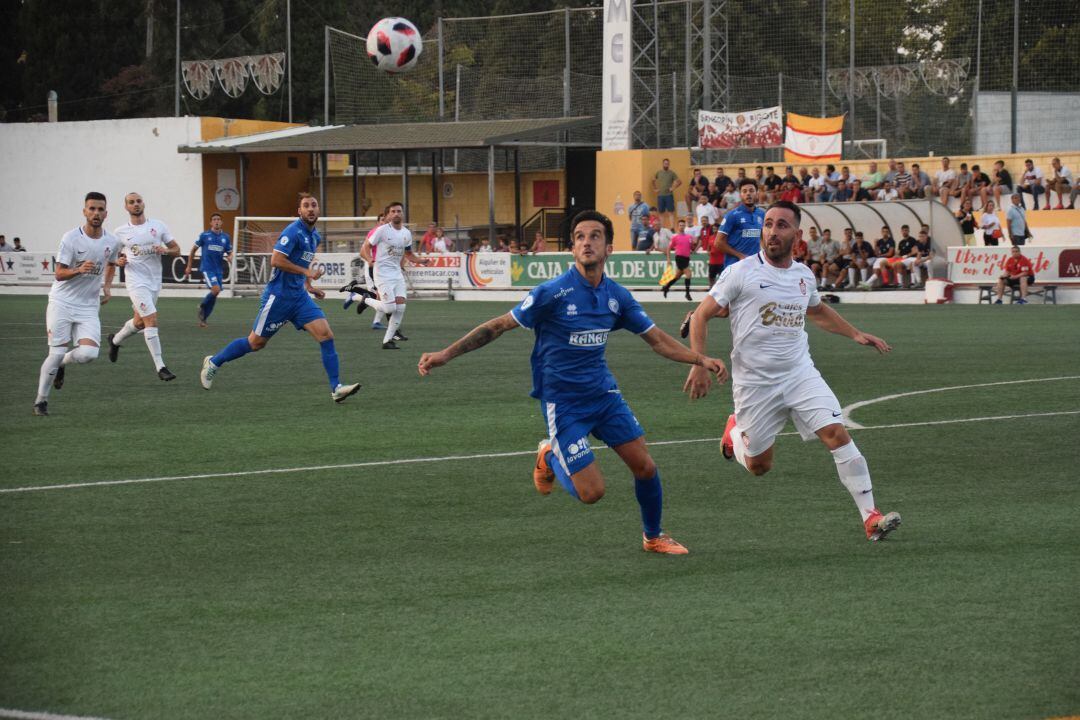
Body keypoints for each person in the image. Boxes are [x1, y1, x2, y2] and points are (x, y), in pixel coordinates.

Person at [418, 210, 727, 554]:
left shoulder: (617, 297)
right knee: (592, 493)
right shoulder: (553, 292)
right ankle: (549, 455)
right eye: (580, 237)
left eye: (595, 236)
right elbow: (498, 325)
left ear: (609, 247)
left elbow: (657, 340)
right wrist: (446, 354)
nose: (586, 242)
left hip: (604, 396)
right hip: (564, 403)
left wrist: (700, 359)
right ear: (572, 248)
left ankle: (653, 537)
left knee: (645, 466)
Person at [683, 200, 900, 542]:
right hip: (755, 383)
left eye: (781, 225)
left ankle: (870, 516)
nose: (772, 231)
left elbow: (816, 310)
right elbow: (700, 315)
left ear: (797, 235)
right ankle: (734, 432)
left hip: (800, 373)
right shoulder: (740, 273)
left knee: (837, 434)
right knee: (759, 466)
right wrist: (699, 363)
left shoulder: (803, 275)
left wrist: (855, 333)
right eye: (768, 224)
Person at [199, 193, 360, 402]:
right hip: (278, 297)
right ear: (299, 211)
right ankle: (214, 363)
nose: (310, 209)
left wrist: (309, 286)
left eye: (314, 205)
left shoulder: (314, 236)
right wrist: (306, 274)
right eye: (306, 206)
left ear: (318, 210)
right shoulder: (292, 232)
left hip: (299, 298)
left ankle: (336, 388)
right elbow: (276, 260)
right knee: (255, 343)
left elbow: (303, 263)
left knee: (326, 335)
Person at [32, 192, 120, 416]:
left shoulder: (112, 241)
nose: (96, 213)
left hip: (89, 305)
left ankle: (63, 363)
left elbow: (111, 264)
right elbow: (59, 274)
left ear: (106, 213)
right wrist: (79, 269)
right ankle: (41, 400)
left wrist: (107, 286)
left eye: (100, 209)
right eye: (92, 209)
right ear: (84, 211)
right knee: (55, 352)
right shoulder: (71, 238)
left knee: (89, 354)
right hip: (62, 302)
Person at [107, 192, 180, 381]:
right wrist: (119, 261)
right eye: (131, 202)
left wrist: (166, 250)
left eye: (138, 201)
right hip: (135, 281)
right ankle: (160, 367)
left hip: (154, 281)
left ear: (143, 204)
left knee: (139, 322)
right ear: (126, 207)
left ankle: (114, 341)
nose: (136, 204)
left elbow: (176, 249)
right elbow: (111, 258)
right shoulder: (120, 232)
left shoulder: (158, 226)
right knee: (151, 319)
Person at [357, 201, 431, 349]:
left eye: (399, 211)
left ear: (403, 214)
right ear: (388, 215)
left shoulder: (406, 233)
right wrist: (369, 259)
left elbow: (409, 254)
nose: (396, 213)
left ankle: (387, 341)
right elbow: (364, 248)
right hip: (382, 274)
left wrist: (421, 261)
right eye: (393, 211)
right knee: (390, 309)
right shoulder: (382, 230)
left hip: (396, 274)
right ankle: (366, 300)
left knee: (400, 307)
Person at [184, 212, 233, 327]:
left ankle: (203, 319)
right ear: (211, 222)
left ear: (221, 222)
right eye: (214, 219)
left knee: (215, 294)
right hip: (207, 268)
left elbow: (229, 253)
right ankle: (202, 305)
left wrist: (231, 258)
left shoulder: (225, 237)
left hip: (218, 270)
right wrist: (189, 266)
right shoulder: (205, 236)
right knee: (215, 290)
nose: (216, 221)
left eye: (218, 219)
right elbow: (192, 251)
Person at [661, 218, 697, 301]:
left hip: (686, 258)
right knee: (688, 274)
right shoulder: (675, 237)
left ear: (685, 226)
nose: (682, 227)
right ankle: (687, 293)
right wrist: (668, 259)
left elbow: (691, 247)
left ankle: (666, 287)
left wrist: (694, 245)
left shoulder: (689, 237)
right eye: (680, 225)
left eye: (683, 225)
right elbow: (668, 248)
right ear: (678, 227)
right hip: (679, 258)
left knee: (677, 276)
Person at [652, 158, 681, 229]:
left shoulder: (672, 173)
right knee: (661, 213)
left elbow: (679, 182)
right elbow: (653, 180)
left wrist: (673, 188)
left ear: (669, 164)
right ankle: (661, 228)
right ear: (662, 164)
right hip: (660, 196)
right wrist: (655, 189)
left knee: (670, 212)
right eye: (665, 163)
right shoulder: (658, 172)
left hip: (669, 196)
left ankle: (672, 228)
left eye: (667, 163)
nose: (666, 165)